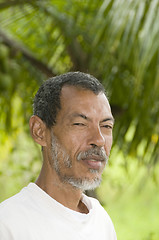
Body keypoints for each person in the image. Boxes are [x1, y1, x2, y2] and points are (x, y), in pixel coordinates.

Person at [0, 72, 117, 240]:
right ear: (39, 131)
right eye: (80, 124)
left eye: (106, 126)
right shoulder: (8, 225)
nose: (98, 140)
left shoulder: (101, 221)